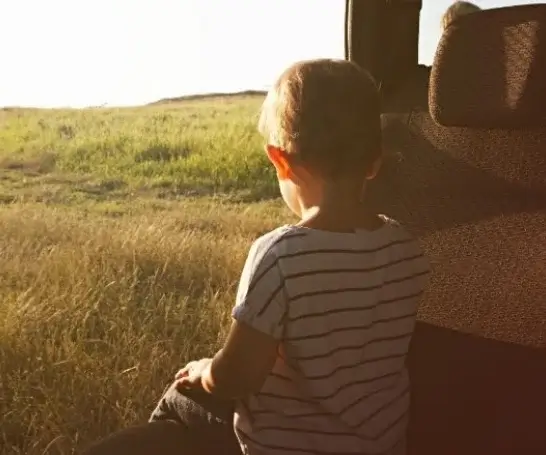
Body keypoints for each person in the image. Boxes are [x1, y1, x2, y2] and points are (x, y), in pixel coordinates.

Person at [83, 59, 430, 455]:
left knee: (180, 403)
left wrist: (201, 372)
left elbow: (236, 378)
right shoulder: (406, 247)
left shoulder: (281, 256)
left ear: (280, 160)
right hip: (381, 446)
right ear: (374, 162)